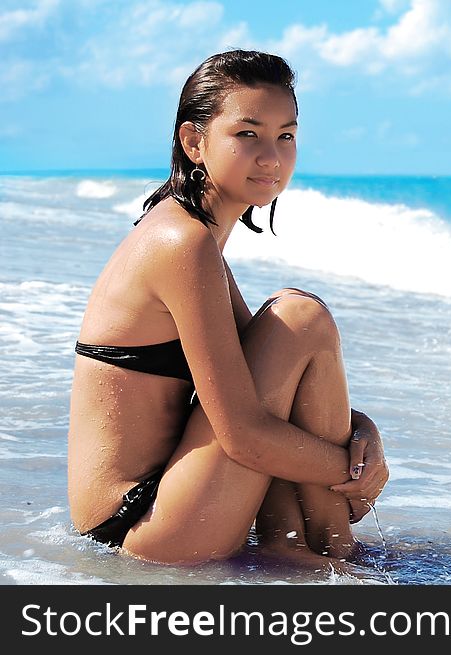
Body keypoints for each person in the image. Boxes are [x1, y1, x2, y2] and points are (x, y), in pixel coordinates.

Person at [67, 50, 388, 569]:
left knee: (295, 322)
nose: (272, 156)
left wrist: (364, 436)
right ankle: (324, 548)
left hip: (168, 506)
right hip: (145, 525)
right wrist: (353, 472)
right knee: (300, 317)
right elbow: (243, 435)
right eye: (248, 134)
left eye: (286, 135)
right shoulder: (181, 243)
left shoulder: (195, 239)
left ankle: (308, 545)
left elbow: (274, 387)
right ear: (194, 141)